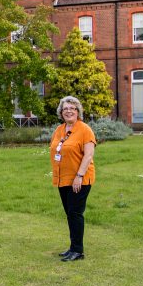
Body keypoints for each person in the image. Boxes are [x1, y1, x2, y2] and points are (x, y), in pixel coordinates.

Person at [50, 95, 96, 262]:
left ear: (78, 112)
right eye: (65, 109)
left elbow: (89, 155)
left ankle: (78, 251)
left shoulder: (85, 130)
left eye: (72, 108)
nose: (68, 111)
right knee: (70, 214)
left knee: (75, 213)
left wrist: (79, 176)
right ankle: (72, 247)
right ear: (61, 113)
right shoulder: (59, 130)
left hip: (79, 179)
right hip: (63, 179)